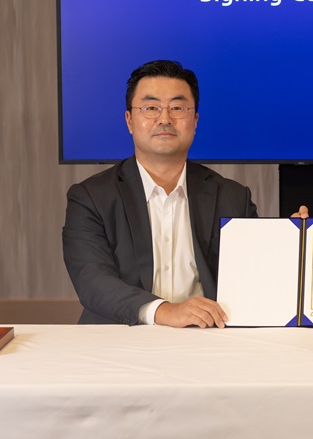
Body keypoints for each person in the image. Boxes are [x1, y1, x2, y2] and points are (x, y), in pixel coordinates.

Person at [62, 60, 257, 328]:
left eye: (177, 108)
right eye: (151, 108)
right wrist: (164, 311)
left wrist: (293, 243)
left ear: (195, 121)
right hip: (118, 338)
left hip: (206, 338)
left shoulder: (233, 197)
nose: (165, 119)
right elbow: (92, 281)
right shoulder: (90, 198)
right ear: (129, 121)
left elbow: (252, 276)